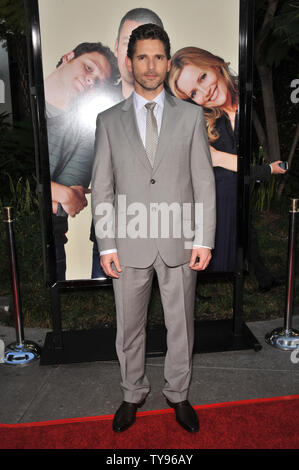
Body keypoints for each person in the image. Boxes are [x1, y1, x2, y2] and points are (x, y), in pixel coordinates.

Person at [91, 24, 216, 433]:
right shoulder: (108, 120)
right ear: (130, 62)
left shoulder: (191, 116)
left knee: (182, 324)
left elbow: (203, 181)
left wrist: (204, 238)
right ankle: (132, 393)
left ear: (167, 60)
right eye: (142, 56)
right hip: (128, 244)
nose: (151, 65)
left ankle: (178, 394)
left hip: (180, 240)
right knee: (129, 325)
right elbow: (103, 187)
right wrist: (107, 245)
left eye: (159, 57)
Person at [168, 46, 287, 276]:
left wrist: (262, 169)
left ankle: (260, 277)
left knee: (245, 233)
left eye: (203, 77)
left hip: (237, 190)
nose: (205, 91)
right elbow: (211, 162)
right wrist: (266, 170)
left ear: (215, 65)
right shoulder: (203, 123)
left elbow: (223, 160)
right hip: (214, 196)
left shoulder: (251, 98)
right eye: (194, 93)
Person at [91, 8, 164, 278]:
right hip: (117, 240)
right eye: (129, 43)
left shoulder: (185, 112)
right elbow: (100, 185)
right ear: (118, 48)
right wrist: (106, 243)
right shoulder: (95, 108)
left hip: (173, 239)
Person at [44, 42, 119, 280]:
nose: (91, 80)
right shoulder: (15, 101)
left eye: (98, 82)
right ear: (68, 57)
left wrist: (63, 195)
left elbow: (68, 205)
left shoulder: (85, 132)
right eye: (89, 68)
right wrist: (60, 191)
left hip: (50, 243)